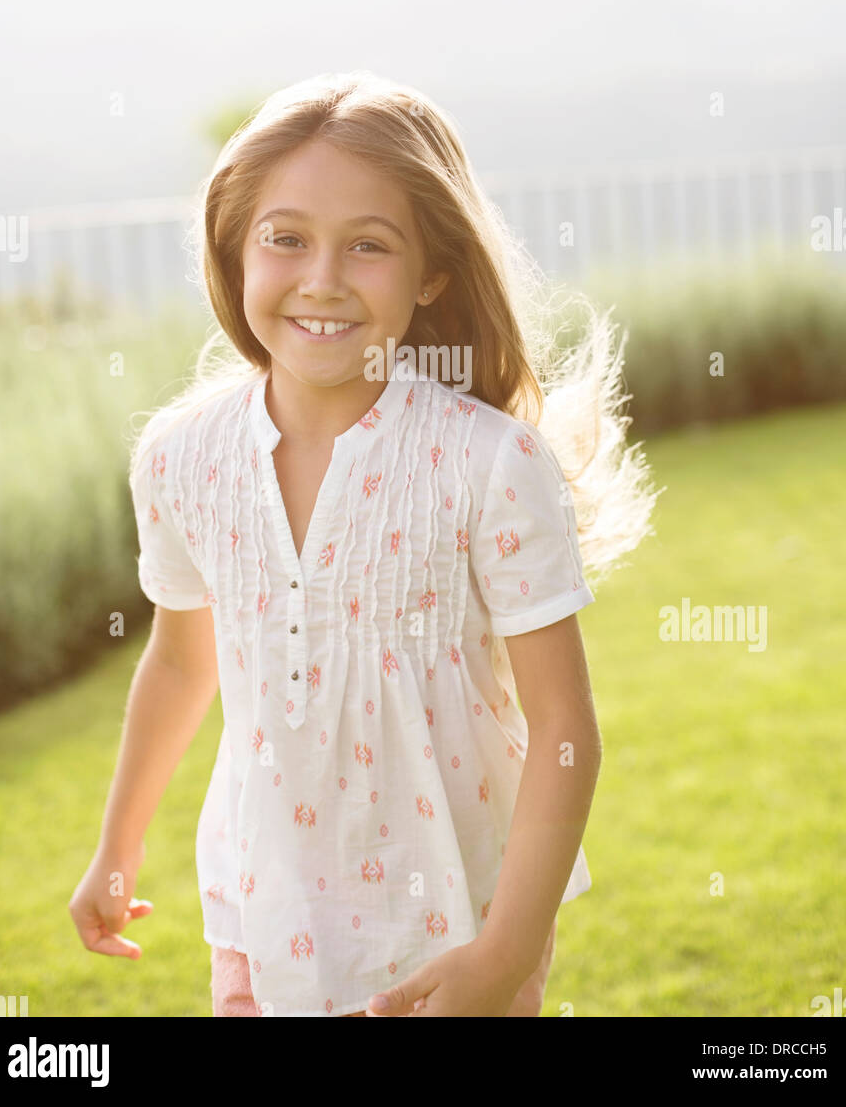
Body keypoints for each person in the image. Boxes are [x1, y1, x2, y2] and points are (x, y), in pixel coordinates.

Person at [69, 70, 658, 1016]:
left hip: (455, 931)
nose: (322, 280)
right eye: (286, 238)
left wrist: (503, 955)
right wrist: (116, 846)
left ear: (432, 272)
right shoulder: (181, 459)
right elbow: (182, 667)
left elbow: (564, 733)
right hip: (261, 920)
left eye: (369, 246)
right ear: (235, 249)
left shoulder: (489, 463)